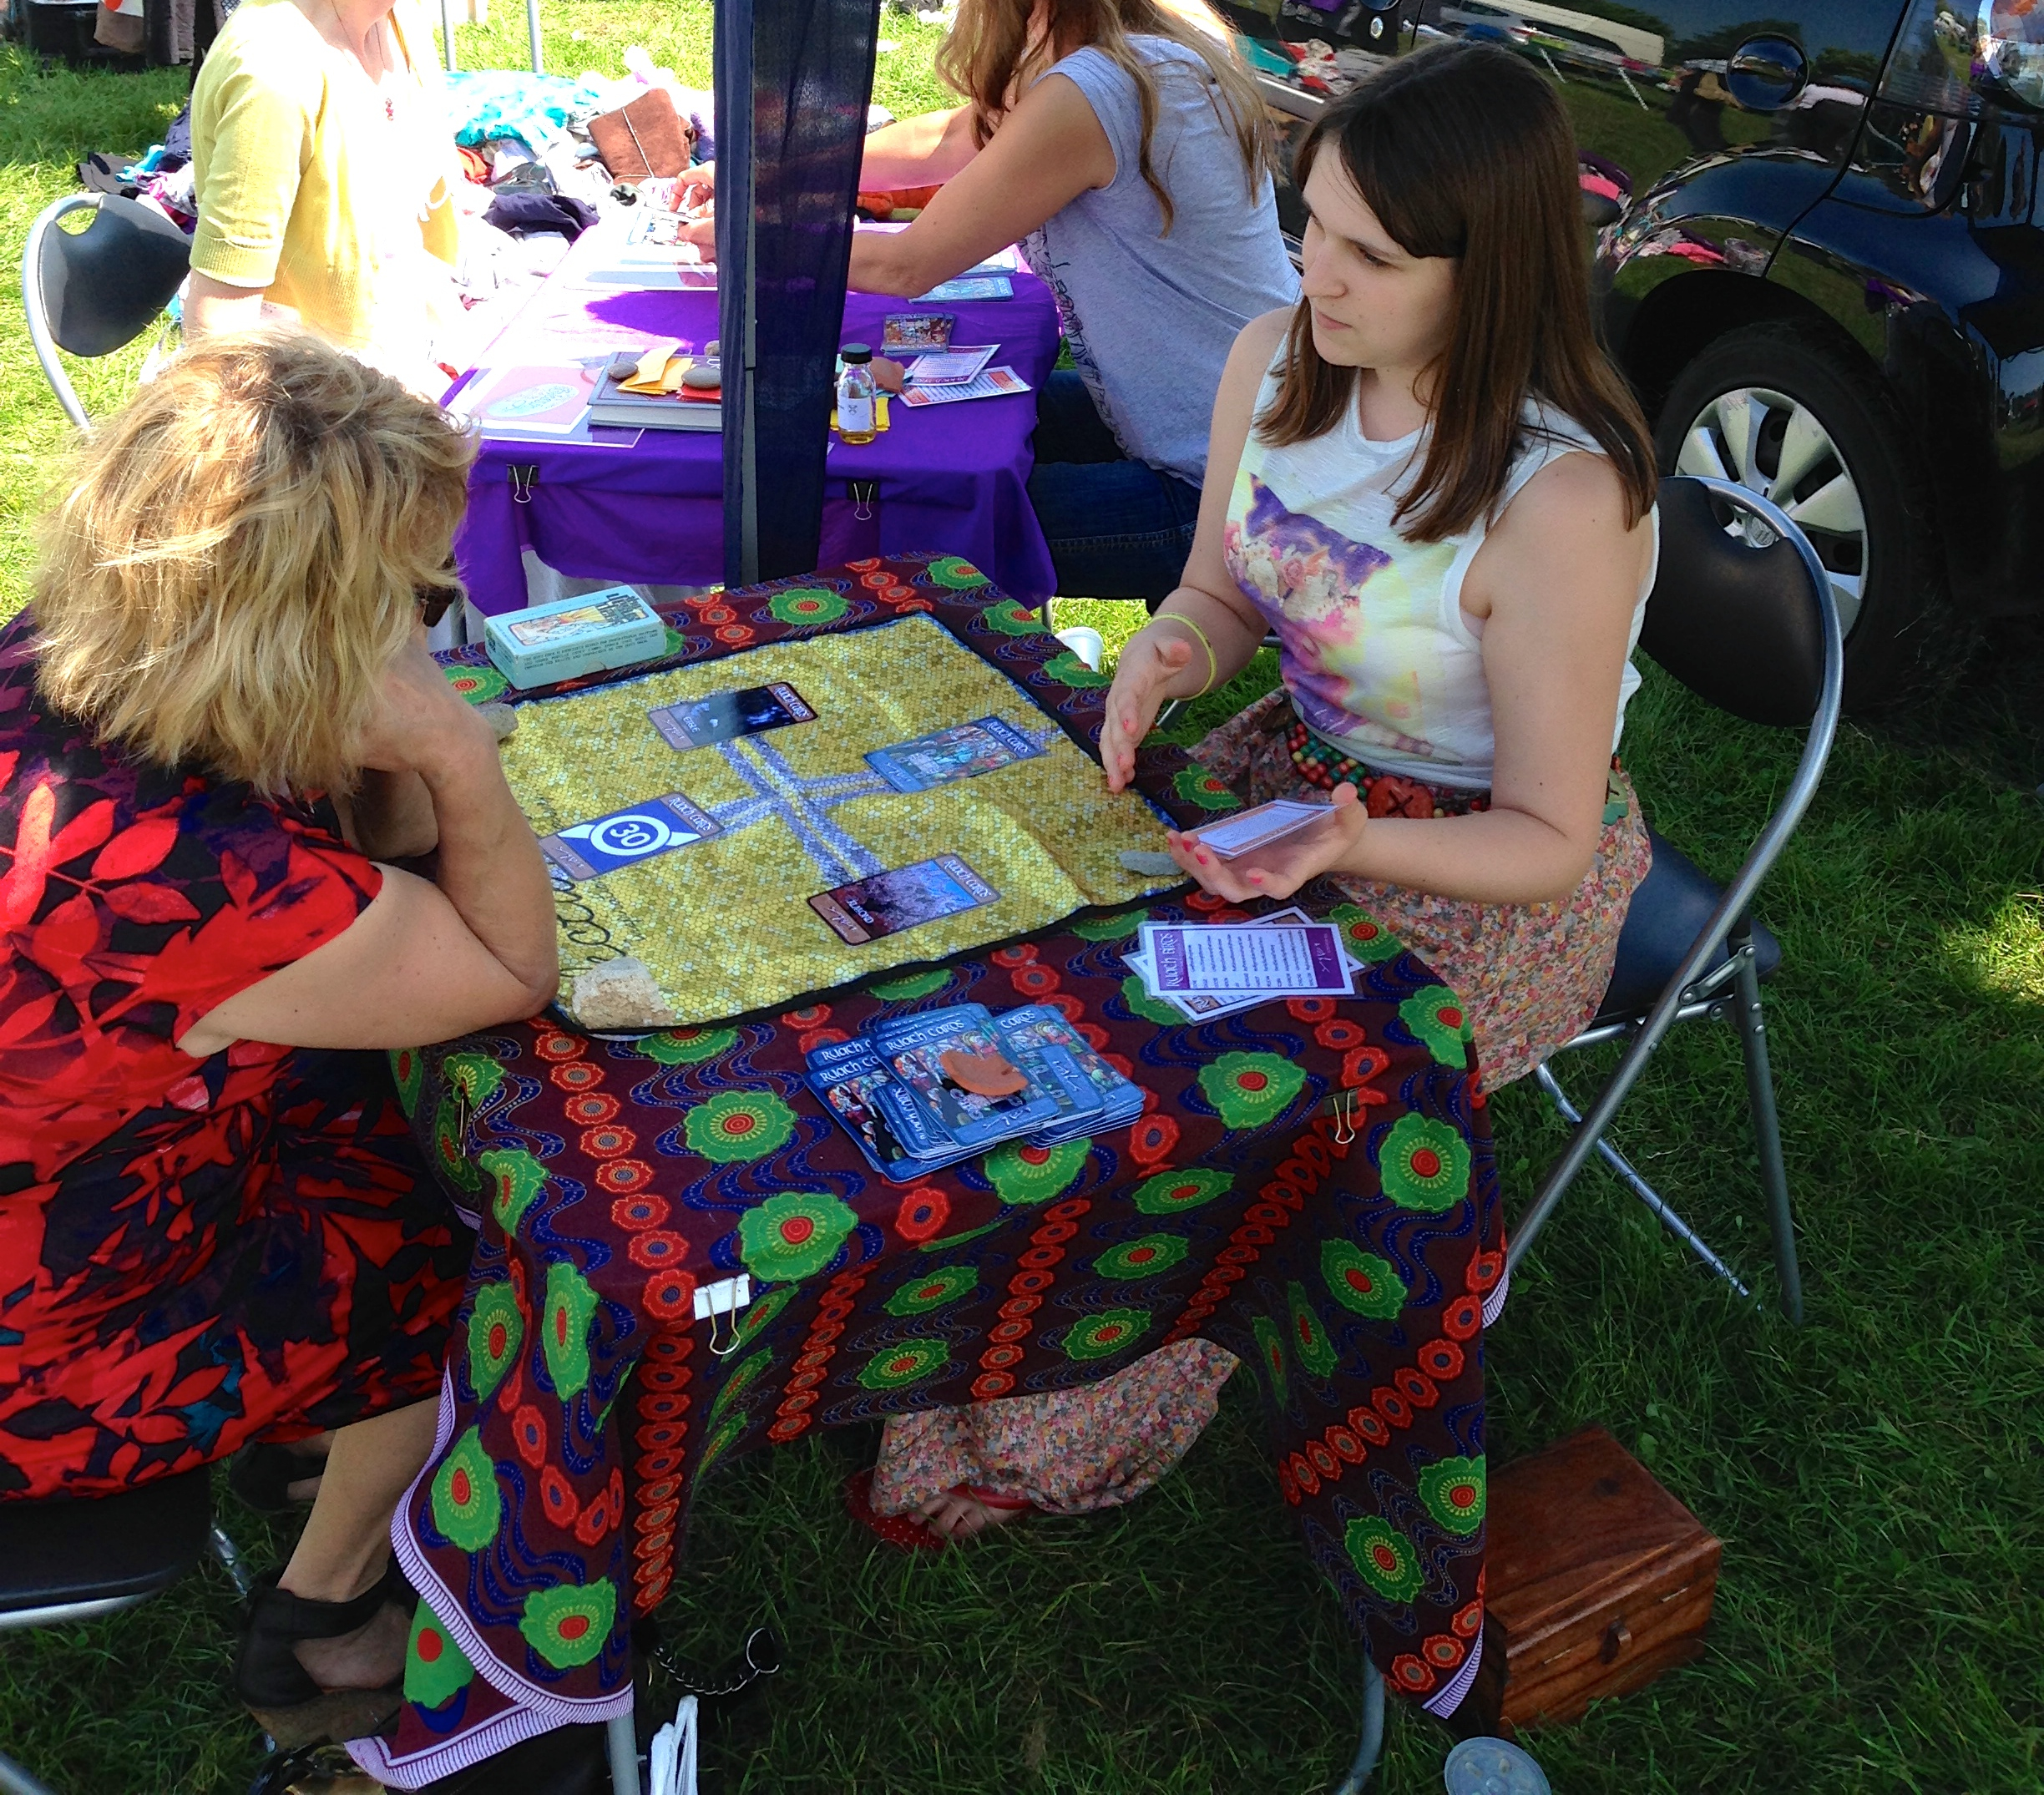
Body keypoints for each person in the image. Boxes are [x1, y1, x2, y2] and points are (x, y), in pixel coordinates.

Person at [866, 38, 1658, 1544]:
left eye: (1369, 254)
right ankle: (973, 1311)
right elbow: (1223, 592)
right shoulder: (1278, 359)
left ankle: (1091, 1387)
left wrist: (1352, 839)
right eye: (1311, 226)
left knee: (1222, 1103)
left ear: (1488, 275)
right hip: (1291, 787)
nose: (1315, 274)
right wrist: (1170, 650)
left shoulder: (1560, 494)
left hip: (1475, 876)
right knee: (1050, 981)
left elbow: (1551, 840)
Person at [0, 333, 559, 1748]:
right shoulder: (199, 881)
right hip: (38, 1351)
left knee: (377, 1107)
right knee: (492, 1259)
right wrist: (450, 748)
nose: (441, 614)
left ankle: (319, 1446)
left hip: (56, 1192)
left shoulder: (56, 660)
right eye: (419, 595)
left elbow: (355, 858)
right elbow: (507, 969)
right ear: (311, 619)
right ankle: (328, 1611)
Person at [849, 0, 1300, 605]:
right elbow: (963, 135)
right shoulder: (1161, 35)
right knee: (919, 432)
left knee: (908, 518)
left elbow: (907, 265)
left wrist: (753, 238)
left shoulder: (1096, 87)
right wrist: (792, 174)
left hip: (1232, 497)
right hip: (1249, 434)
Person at [185, 0, 466, 389]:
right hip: (303, 385)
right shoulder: (273, 76)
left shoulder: (397, 18)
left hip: (402, 340)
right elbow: (220, 332)